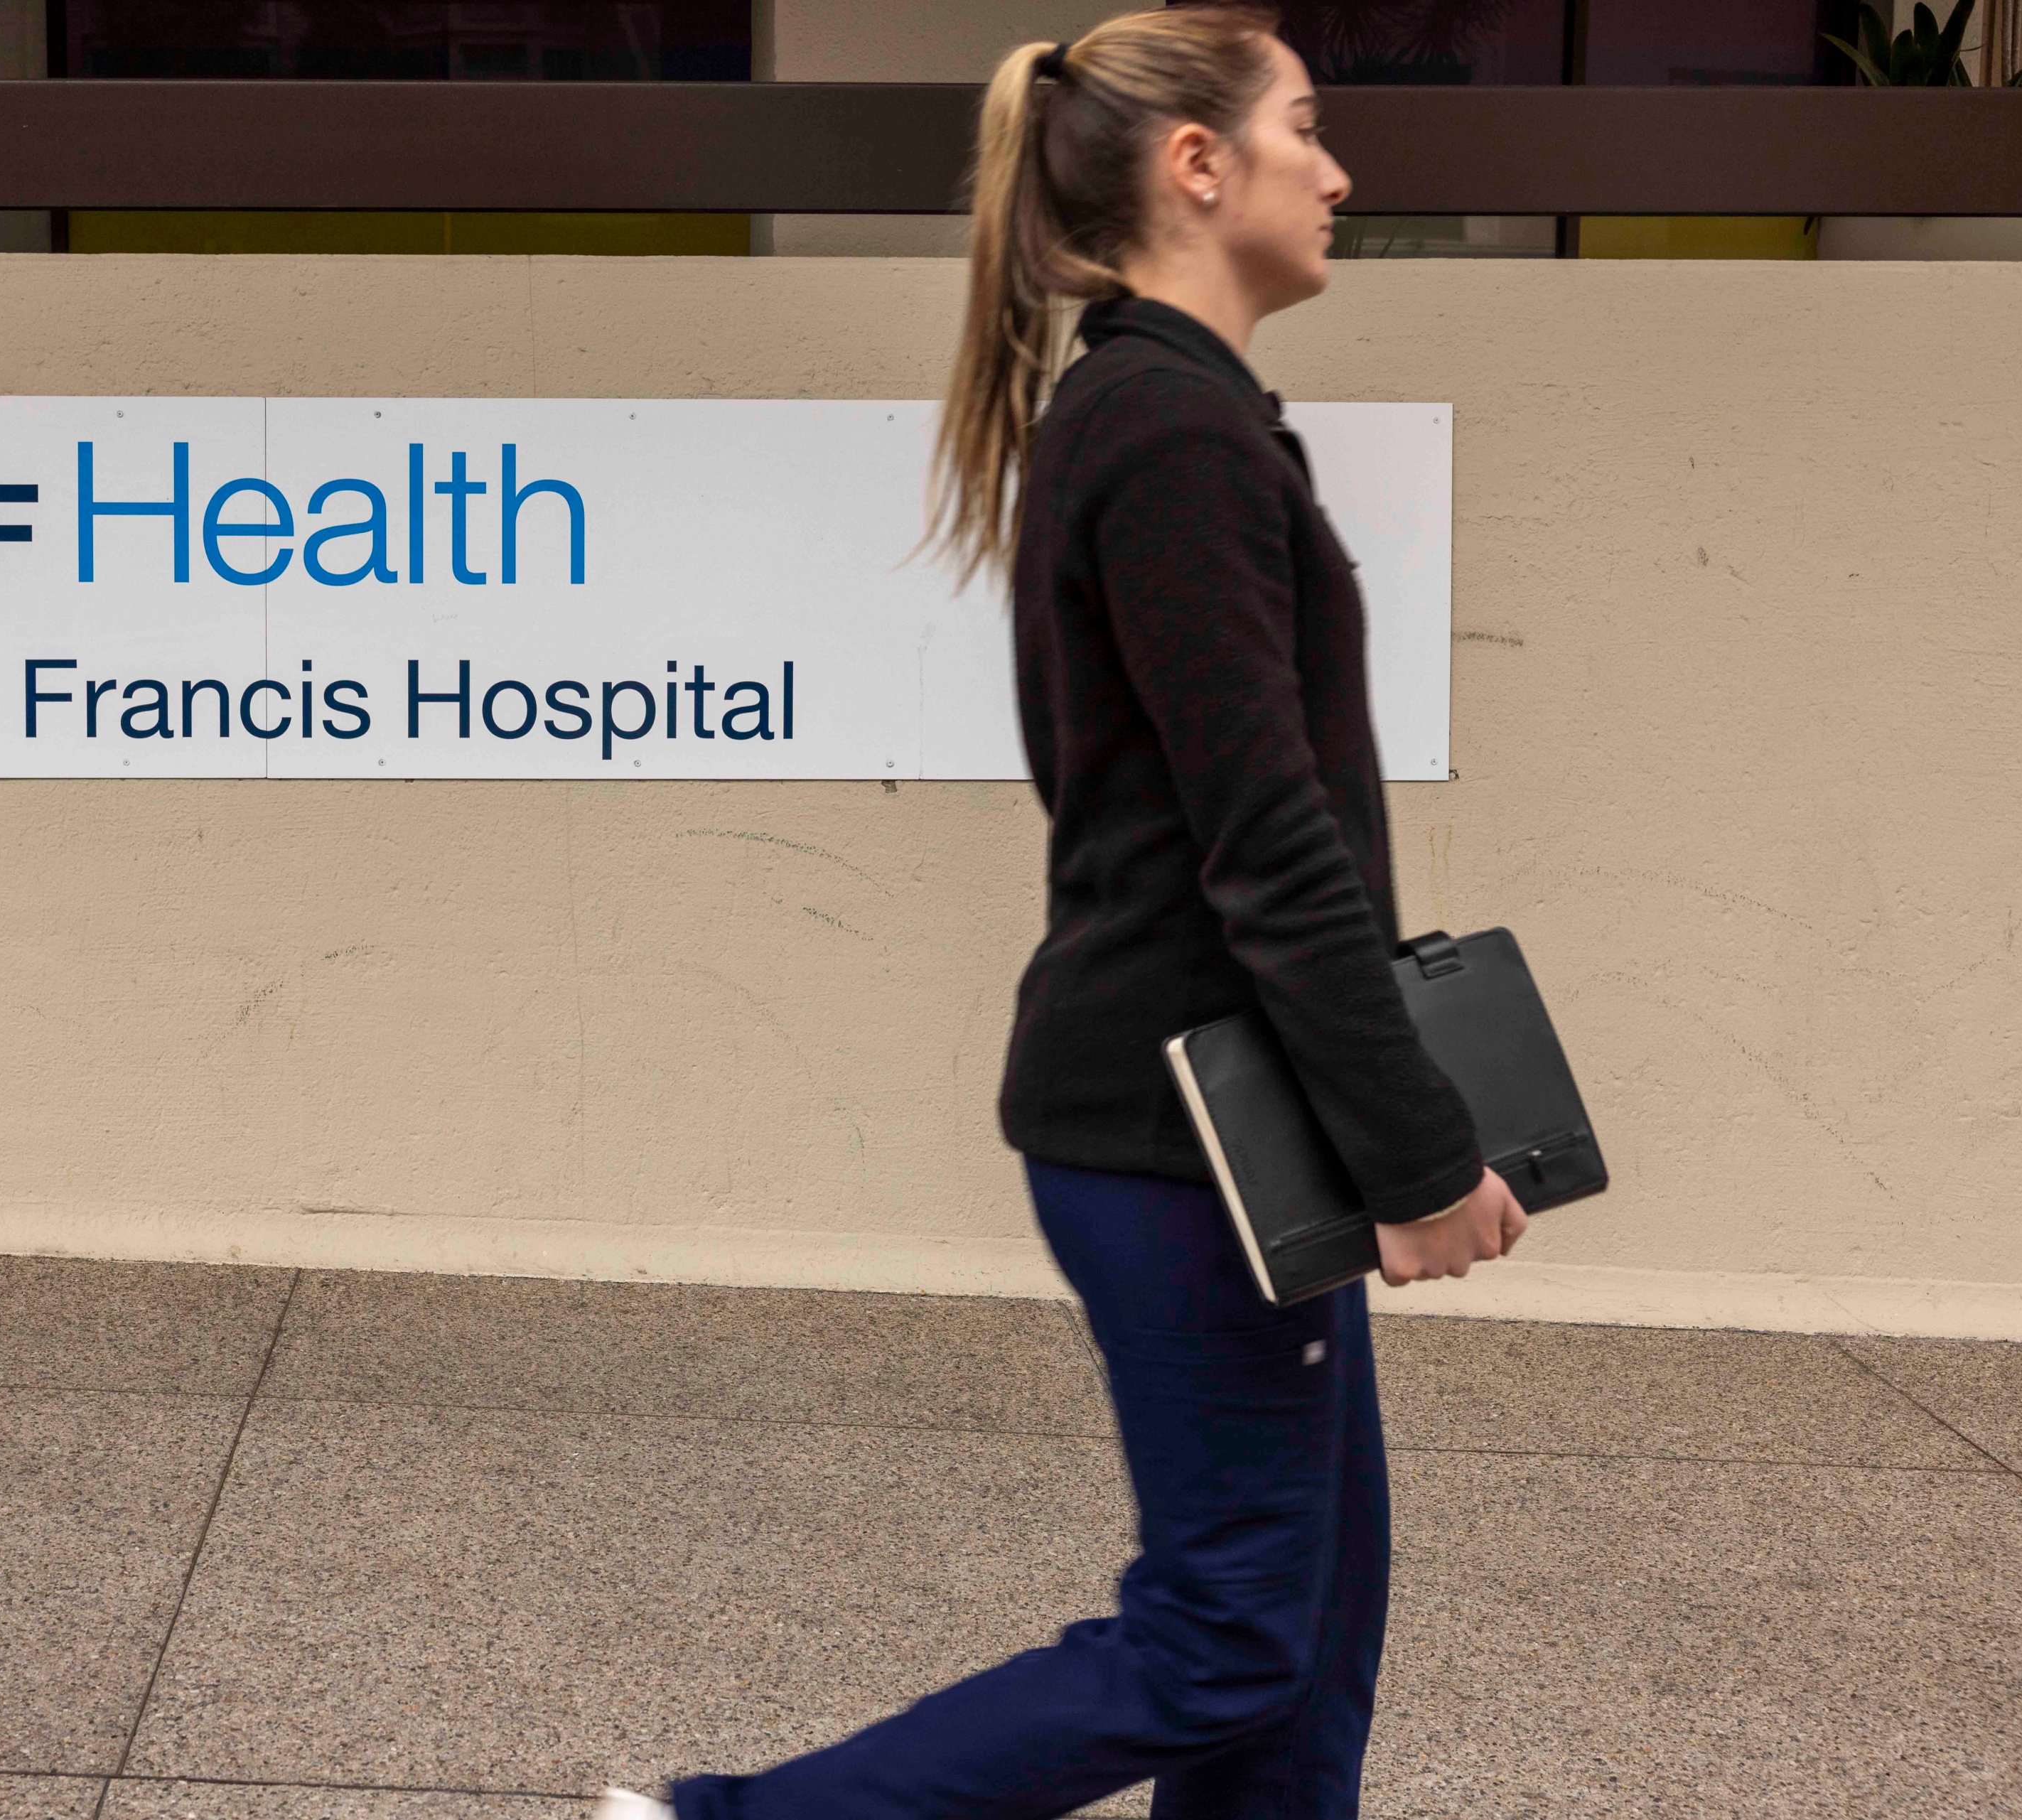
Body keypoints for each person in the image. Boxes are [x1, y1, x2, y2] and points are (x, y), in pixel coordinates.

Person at [596, 9, 1529, 1819]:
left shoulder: (1167, 414)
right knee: (1231, 1637)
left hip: (1216, 1123)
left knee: (1307, 1642)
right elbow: (1266, 848)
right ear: (1199, 165)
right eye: (1306, 131)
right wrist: (1416, 1153)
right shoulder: (1169, 433)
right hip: (1186, 1134)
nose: (1339, 176)